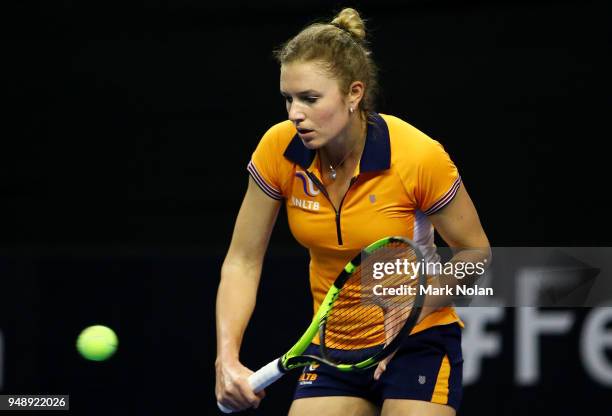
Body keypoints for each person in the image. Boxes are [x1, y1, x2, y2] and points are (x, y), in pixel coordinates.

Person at [215, 8, 490, 416]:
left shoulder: (417, 156)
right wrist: (227, 357)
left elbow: (475, 254)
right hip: (333, 347)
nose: (295, 114)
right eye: (288, 99)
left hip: (418, 339)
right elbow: (242, 259)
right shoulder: (278, 149)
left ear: (354, 94)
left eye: (310, 99)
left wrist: (412, 311)